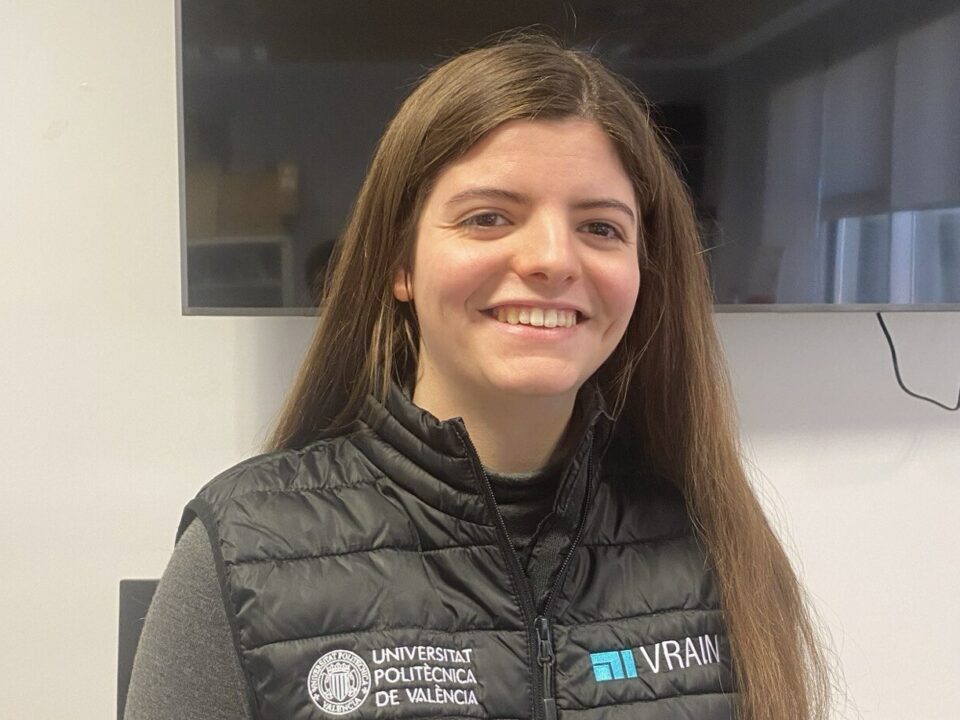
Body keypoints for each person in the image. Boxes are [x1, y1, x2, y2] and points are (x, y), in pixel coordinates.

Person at [126, 31, 831, 720]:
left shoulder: (715, 538)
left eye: (600, 227)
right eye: (489, 217)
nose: (552, 259)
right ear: (400, 264)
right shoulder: (240, 549)